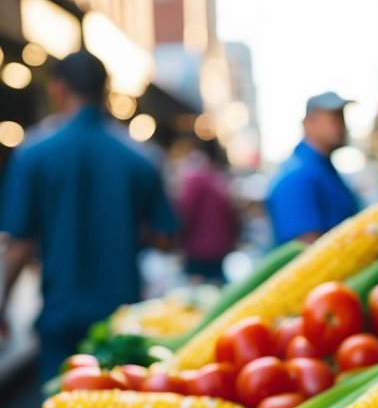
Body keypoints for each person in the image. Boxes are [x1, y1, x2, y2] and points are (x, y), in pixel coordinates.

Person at [0, 50, 178, 381]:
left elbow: (20, 244)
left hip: (60, 315)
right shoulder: (141, 157)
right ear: (106, 91)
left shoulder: (33, 154)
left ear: (58, 89)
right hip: (122, 322)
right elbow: (166, 238)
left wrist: (1, 305)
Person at [266, 92, 359, 244]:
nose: (342, 126)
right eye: (334, 119)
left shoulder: (324, 170)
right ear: (308, 123)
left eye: (342, 118)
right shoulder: (298, 176)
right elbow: (307, 248)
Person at [176, 138, 239, 284]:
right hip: (220, 247)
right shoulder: (219, 181)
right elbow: (232, 216)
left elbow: (185, 212)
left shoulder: (196, 180)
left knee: (200, 293)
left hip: (200, 250)